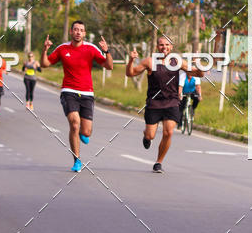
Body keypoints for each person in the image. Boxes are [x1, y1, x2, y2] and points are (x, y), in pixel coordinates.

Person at [41, 20, 112, 172]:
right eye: (76, 29)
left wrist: (107, 51)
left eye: (81, 30)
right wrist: (45, 50)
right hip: (69, 91)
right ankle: (77, 160)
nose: (78, 32)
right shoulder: (62, 48)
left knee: (86, 132)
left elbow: (109, 66)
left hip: (87, 93)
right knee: (74, 123)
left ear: (84, 33)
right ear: (71, 32)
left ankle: (81, 132)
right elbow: (45, 64)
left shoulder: (91, 48)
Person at [126, 36, 203, 173]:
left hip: (172, 101)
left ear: (171, 47)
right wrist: (131, 60)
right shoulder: (150, 61)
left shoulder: (177, 61)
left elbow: (199, 74)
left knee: (168, 132)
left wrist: (199, 64)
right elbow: (130, 73)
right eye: (161, 45)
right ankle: (146, 136)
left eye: (167, 45)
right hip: (154, 103)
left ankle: (158, 162)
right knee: (150, 135)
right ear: (157, 47)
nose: (164, 47)